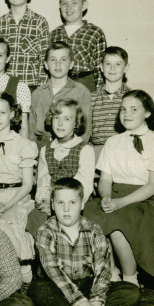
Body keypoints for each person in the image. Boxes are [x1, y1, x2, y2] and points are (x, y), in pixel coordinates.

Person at [29, 178, 147, 306]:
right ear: (52, 205)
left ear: (82, 204)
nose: (66, 209)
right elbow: (54, 272)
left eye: (72, 202)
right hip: (59, 287)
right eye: (60, 203)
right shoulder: (45, 232)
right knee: (37, 289)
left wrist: (94, 303)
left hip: (88, 286)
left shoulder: (94, 230)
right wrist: (81, 303)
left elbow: (103, 270)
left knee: (132, 292)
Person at [83, 90, 154, 285]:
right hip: (115, 196)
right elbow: (105, 179)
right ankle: (111, 272)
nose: (126, 114)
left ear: (147, 113)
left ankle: (130, 282)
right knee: (88, 212)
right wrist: (105, 197)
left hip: (147, 201)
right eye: (123, 109)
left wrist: (120, 202)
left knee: (118, 222)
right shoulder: (113, 142)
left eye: (133, 109)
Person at [0, 93, 38, 286]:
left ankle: (24, 273)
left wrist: (7, 204)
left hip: (16, 197)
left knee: (12, 230)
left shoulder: (24, 145)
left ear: (12, 114)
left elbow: (28, 184)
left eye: (2, 112)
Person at [28, 99, 95, 236]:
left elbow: (85, 184)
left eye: (67, 119)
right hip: (51, 203)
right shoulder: (45, 150)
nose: (60, 123)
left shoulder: (84, 149)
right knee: (34, 220)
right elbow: (43, 181)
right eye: (56, 118)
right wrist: (47, 201)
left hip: (76, 203)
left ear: (76, 123)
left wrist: (63, 203)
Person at [0, 0, 51, 91]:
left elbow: (45, 59)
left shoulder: (40, 23)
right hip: (3, 88)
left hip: (31, 87)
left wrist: (42, 91)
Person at [29, 42, 92, 149]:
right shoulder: (37, 93)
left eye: (63, 59)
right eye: (53, 60)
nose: (58, 64)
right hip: (42, 147)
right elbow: (31, 130)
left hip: (71, 146)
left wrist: (78, 150)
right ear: (46, 64)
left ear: (71, 64)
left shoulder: (81, 92)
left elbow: (86, 129)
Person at [50, 0, 107, 92]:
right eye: (64, 3)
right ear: (59, 6)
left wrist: (98, 96)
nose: (68, 7)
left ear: (84, 5)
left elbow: (100, 70)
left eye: (74, 3)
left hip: (85, 84)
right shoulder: (54, 34)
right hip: (59, 84)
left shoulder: (95, 32)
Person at [90, 46, 130, 161]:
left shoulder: (132, 98)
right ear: (101, 67)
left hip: (124, 151)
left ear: (126, 68)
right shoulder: (91, 98)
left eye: (118, 64)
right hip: (96, 152)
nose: (112, 68)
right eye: (108, 64)